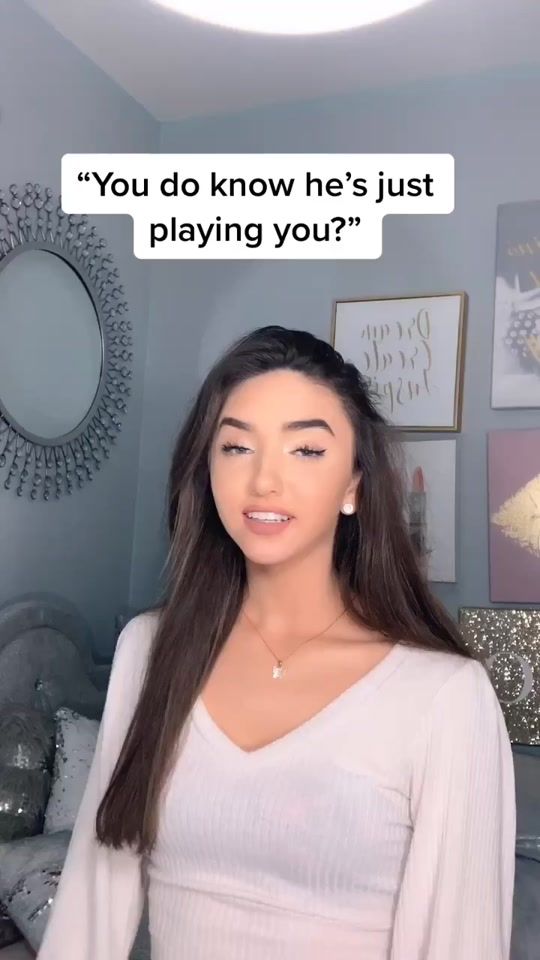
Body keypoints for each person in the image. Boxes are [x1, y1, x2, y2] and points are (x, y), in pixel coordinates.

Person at [37, 325, 516, 960]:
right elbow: (90, 915)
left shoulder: (444, 697)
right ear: (206, 470)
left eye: (307, 451)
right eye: (236, 447)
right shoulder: (149, 652)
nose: (264, 481)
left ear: (355, 485)